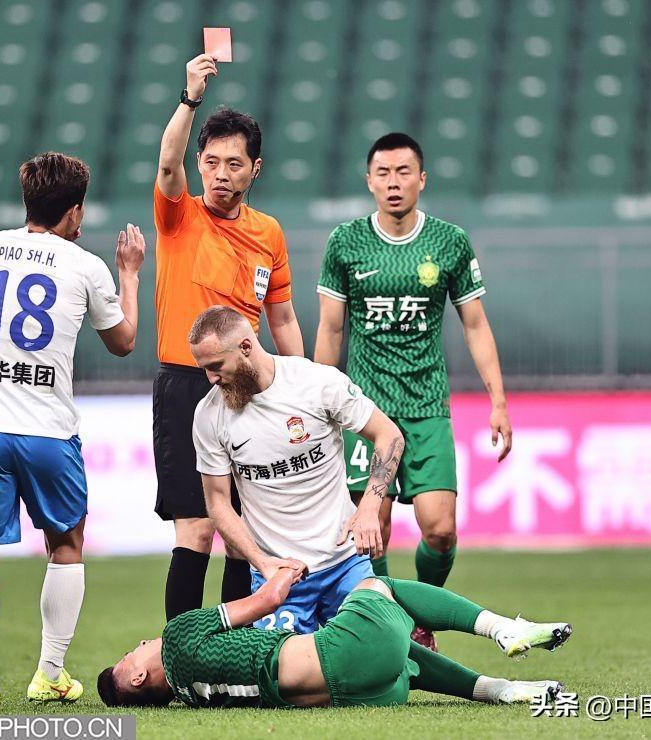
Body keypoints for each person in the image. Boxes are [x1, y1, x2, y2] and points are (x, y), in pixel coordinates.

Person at [0, 152, 145, 712]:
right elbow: (123, 341)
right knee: (66, 543)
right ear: (75, 210)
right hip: (47, 430)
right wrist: (129, 275)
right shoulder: (86, 267)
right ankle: (49, 674)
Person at [314, 132, 513, 650]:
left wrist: (497, 400)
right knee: (371, 528)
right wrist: (317, 403)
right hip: (365, 411)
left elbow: (475, 324)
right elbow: (331, 329)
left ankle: (422, 613)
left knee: (441, 530)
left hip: (426, 407)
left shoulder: (449, 242)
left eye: (404, 172)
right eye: (383, 173)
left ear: (422, 179)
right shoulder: (346, 242)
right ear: (369, 181)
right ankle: (395, 625)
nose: (393, 182)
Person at [154, 53, 305, 621]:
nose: (221, 174)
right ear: (199, 163)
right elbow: (167, 161)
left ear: (255, 170)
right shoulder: (179, 216)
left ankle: (234, 652)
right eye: (212, 162)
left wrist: (300, 381)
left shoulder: (269, 233)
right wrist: (190, 97)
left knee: (246, 530)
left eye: (234, 164)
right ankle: (181, 651)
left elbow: (282, 318)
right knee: (196, 527)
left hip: (251, 388)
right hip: (186, 385)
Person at [97, 562, 572, 709]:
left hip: (364, 693)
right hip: (342, 653)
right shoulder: (177, 635)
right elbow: (266, 601)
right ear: (137, 677)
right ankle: (503, 628)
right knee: (378, 586)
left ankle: (500, 690)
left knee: (403, 656)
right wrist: (287, 570)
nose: (139, 645)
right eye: (129, 655)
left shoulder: (191, 697)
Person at [190, 306, 397, 633]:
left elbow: (389, 435)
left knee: (378, 651)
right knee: (287, 667)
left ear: (246, 347)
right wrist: (263, 563)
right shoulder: (209, 414)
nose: (211, 378)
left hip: (345, 565)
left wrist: (369, 507)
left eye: (216, 366)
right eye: (204, 369)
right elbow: (218, 504)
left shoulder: (315, 382)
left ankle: (470, 663)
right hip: (279, 578)